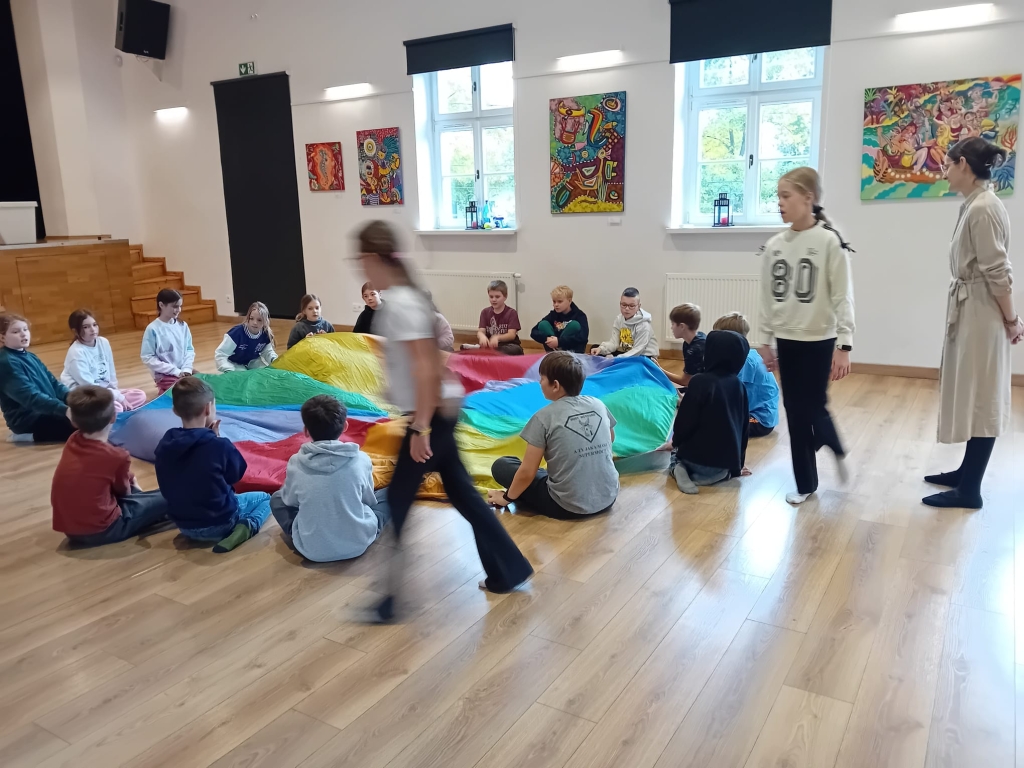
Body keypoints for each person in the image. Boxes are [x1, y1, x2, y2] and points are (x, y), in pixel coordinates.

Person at [355, 220, 533, 622]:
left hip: (431, 416)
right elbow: (428, 363)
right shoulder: (405, 298)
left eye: (361, 260)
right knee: (464, 496)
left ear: (374, 257)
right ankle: (510, 569)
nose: (360, 269)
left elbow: (424, 368)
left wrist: (421, 426)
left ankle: (389, 601)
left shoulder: (401, 304)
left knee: (399, 502)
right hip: (439, 411)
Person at [924, 137, 1022, 509]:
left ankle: (970, 490)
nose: (944, 173)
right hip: (972, 308)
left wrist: (1012, 320)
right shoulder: (975, 204)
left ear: (963, 164)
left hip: (982, 312)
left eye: (948, 165)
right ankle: (966, 473)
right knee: (973, 390)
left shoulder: (983, 208)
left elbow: (998, 271)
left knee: (982, 396)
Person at [757, 166, 855, 505]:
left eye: (786, 196)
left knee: (812, 405)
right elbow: (767, 297)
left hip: (819, 339)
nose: (780, 203)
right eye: (778, 197)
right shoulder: (774, 245)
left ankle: (833, 442)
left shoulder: (829, 241)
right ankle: (805, 483)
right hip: (787, 339)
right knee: (794, 411)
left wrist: (844, 344)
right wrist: (765, 340)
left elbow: (843, 296)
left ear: (808, 198)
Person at [488, 351, 618, 518]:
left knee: (502, 465)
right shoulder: (598, 404)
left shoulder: (543, 417)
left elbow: (527, 472)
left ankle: (521, 496)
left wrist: (505, 498)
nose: (539, 382)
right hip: (608, 496)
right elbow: (611, 438)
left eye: (542, 378)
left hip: (566, 506)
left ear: (555, 385)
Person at [154, 376, 272, 553]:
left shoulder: (165, 443)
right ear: (208, 408)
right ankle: (246, 526)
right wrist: (216, 438)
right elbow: (236, 475)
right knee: (266, 498)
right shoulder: (218, 445)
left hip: (183, 525)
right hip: (219, 524)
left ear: (175, 411)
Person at [270, 395, 390, 561]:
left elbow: (290, 501)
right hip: (358, 543)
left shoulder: (296, 462)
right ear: (345, 426)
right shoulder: (361, 459)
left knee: (277, 498)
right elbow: (367, 500)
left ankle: (307, 535)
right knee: (390, 494)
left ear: (305, 430)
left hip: (312, 550)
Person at [51, 386, 169, 546]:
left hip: (71, 530)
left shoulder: (73, 439)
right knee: (171, 494)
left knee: (152, 499)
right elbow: (125, 493)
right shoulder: (115, 456)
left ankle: (157, 513)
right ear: (114, 417)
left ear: (73, 421)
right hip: (105, 530)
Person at [670, 330, 750, 494]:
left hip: (693, 461)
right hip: (723, 466)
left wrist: (675, 442)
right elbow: (744, 429)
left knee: (674, 453)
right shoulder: (740, 386)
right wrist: (738, 466)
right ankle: (715, 477)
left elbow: (684, 421)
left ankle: (678, 468)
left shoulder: (699, 382)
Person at [0, 313, 75, 442]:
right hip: (27, 419)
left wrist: (72, 398)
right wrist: (64, 410)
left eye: (25, 329)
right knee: (82, 428)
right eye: (16, 332)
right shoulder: (5, 362)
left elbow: (54, 383)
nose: (23, 334)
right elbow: (29, 396)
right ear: (2, 337)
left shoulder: (31, 356)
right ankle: (27, 436)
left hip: (47, 409)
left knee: (93, 416)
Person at [61, 309, 147, 412]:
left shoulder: (103, 342)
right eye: (86, 327)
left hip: (103, 391)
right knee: (116, 407)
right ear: (75, 331)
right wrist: (117, 397)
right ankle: (110, 410)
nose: (93, 329)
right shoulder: (76, 352)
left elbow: (111, 369)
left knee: (139, 395)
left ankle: (110, 411)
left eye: (94, 325)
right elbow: (89, 386)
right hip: (85, 395)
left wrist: (115, 391)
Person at [712, 312, 779, 437]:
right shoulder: (744, 354)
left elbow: (730, 393)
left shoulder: (745, 361)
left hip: (759, 420)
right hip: (751, 411)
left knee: (712, 424)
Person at [140, 289, 195, 394]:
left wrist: (187, 368)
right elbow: (147, 357)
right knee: (185, 391)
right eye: (175, 306)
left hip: (182, 371)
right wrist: (174, 371)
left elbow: (189, 349)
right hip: (165, 374)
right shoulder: (153, 329)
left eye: (180, 306)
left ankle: (169, 390)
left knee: (203, 385)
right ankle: (164, 390)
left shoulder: (183, 325)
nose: (179, 310)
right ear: (161, 305)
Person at [590, 287, 659, 358]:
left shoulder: (643, 324)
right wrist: (601, 349)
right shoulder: (619, 319)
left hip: (643, 356)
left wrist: (617, 358)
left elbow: (637, 350)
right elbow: (614, 343)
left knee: (620, 361)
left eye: (631, 306)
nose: (627, 309)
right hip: (627, 352)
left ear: (638, 306)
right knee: (596, 349)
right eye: (624, 305)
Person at [214, 301, 278, 372]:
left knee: (264, 373)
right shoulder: (236, 333)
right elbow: (220, 354)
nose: (255, 323)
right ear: (248, 318)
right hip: (234, 363)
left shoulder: (265, 334)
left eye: (259, 320)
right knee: (243, 375)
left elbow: (267, 352)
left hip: (253, 361)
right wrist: (227, 369)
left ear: (265, 322)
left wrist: (274, 360)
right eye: (252, 318)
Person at [530, 286, 589, 353]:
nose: (556, 305)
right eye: (554, 301)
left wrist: (559, 342)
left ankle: (560, 350)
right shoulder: (553, 315)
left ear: (569, 301)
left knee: (574, 325)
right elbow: (534, 331)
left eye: (560, 301)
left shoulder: (580, 316)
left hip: (572, 353)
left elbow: (583, 337)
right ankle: (556, 351)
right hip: (553, 351)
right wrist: (547, 339)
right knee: (543, 324)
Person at [472, 279, 523, 355]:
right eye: (491, 297)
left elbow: (511, 335)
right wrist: (482, 336)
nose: (494, 299)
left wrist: (497, 337)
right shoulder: (485, 312)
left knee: (516, 350)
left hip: (508, 345)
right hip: (491, 345)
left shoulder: (511, 313)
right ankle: (486, 351)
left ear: (505, 296)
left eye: (497, 297)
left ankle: (485, 351)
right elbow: (481, 331)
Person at [661, 303, 705, 387]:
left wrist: (659, 370)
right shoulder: (693, 339)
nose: (671, 328)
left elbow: (685, 381)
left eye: (673, 324)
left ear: (682, 326)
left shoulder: (694, 349)